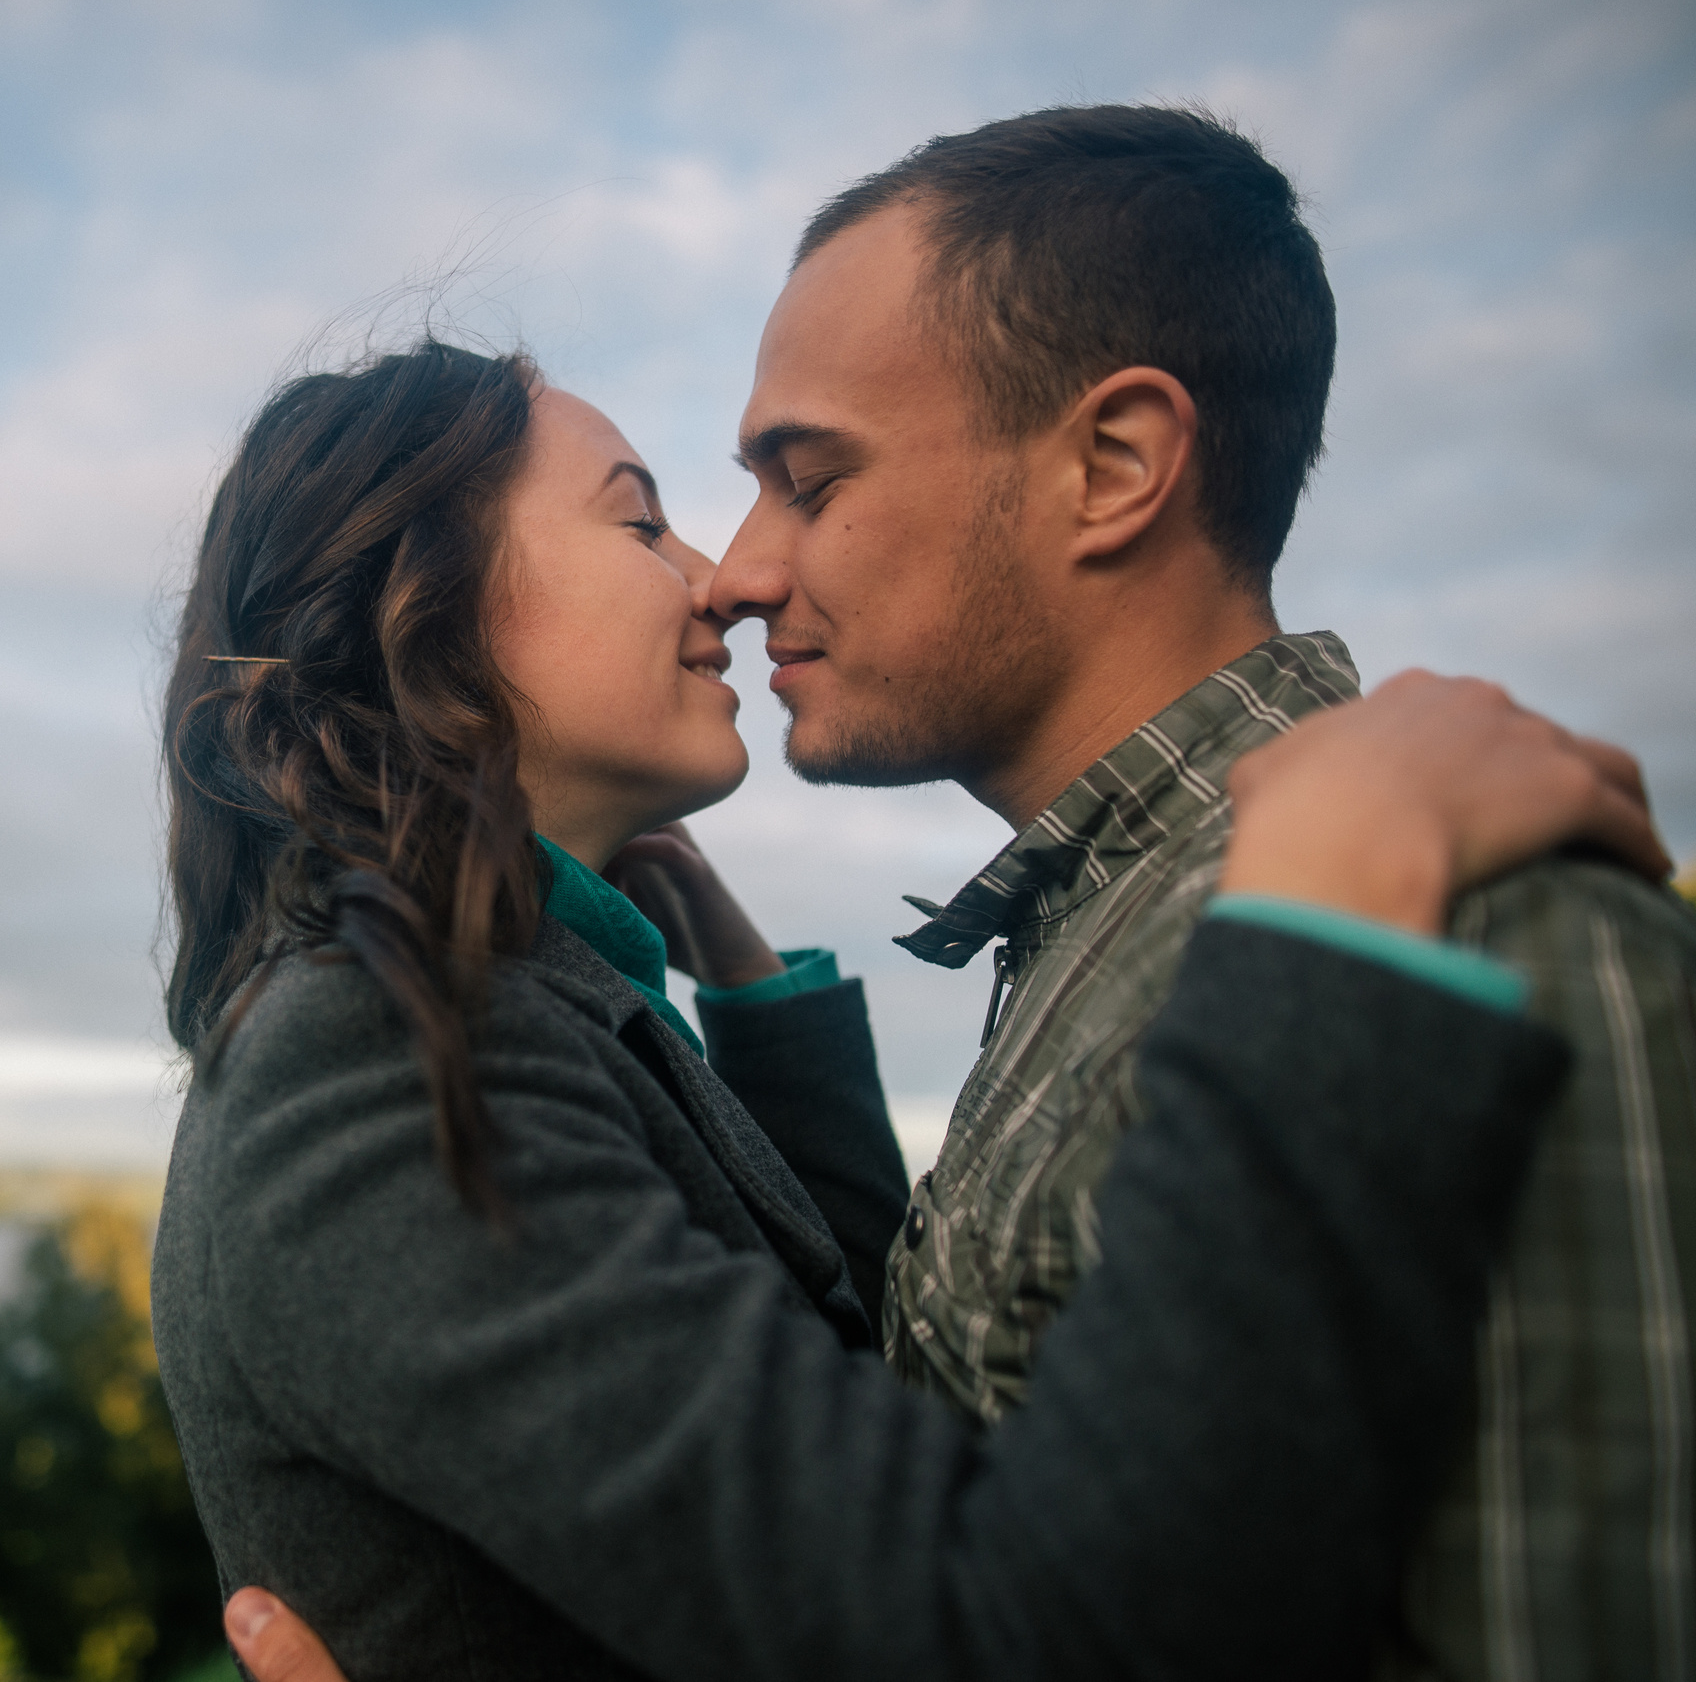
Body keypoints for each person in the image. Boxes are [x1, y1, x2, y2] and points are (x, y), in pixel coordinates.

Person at [156, 339, 1668, 1680]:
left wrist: (757, 1008)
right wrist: (1324, 916)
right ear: (419, 599)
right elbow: (985, 1628)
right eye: (641, 519)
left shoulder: (513, 993)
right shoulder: (362, 1053)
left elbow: (848, 1389)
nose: (719, 577)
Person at [712, 105, 1696, 1682]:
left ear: (1112, 467)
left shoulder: (1480, 935)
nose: (737, 572)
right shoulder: (1098, 923)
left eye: (811, 482)